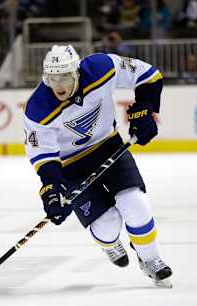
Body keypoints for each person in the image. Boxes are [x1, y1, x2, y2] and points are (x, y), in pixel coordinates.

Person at [23, 45, 172, 287]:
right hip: (71, 166)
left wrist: (145, 110)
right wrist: (51, 190)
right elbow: (43, 156)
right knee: (108, 225)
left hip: (108, 147)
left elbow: (149, 75)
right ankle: (110, 244)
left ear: (77, 73)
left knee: (135, 203)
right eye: (52, 78)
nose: (58, 85)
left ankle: (151, 260)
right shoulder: (38, 108)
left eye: (64, 77)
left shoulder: (102, 67)